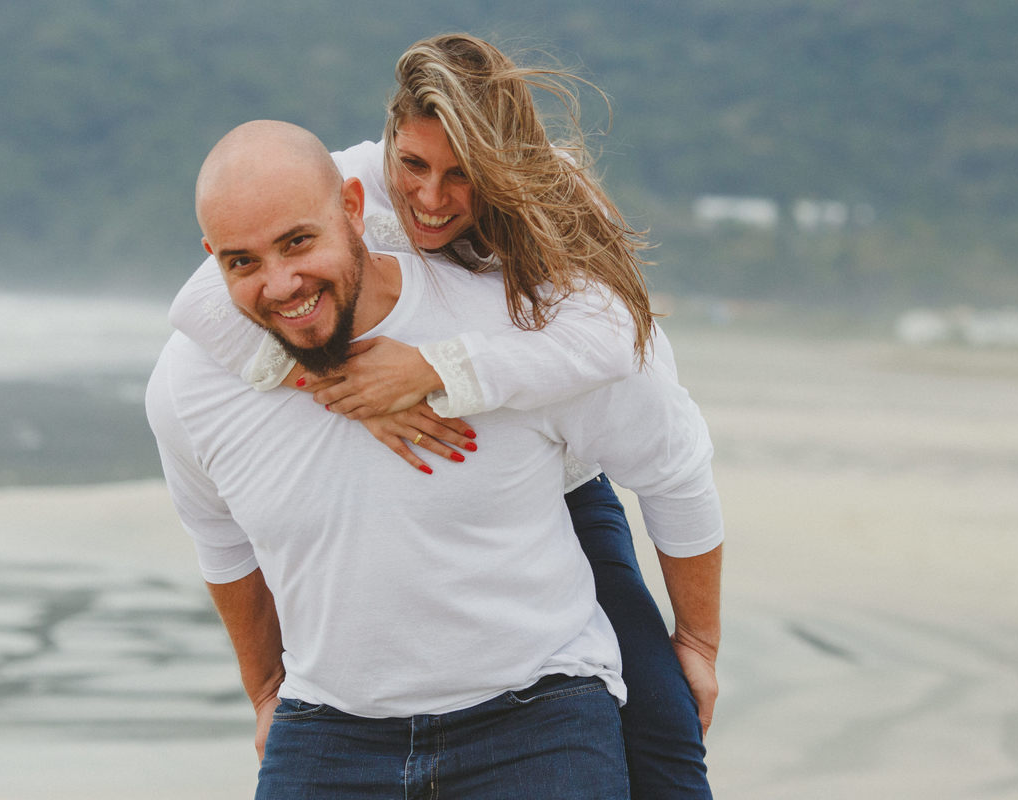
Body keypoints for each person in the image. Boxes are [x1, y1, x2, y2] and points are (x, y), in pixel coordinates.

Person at [168, 34, 717, 797]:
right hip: (367, 676)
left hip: (565, 484)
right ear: (390, 140)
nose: (428, 197)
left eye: (462, 175)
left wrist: (435, 372)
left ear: (504, 162)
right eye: (414, 165)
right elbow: (203, 301)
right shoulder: (356, 176)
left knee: (664, 721)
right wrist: (340, 387)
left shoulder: (560, 208)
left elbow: (622, 359)